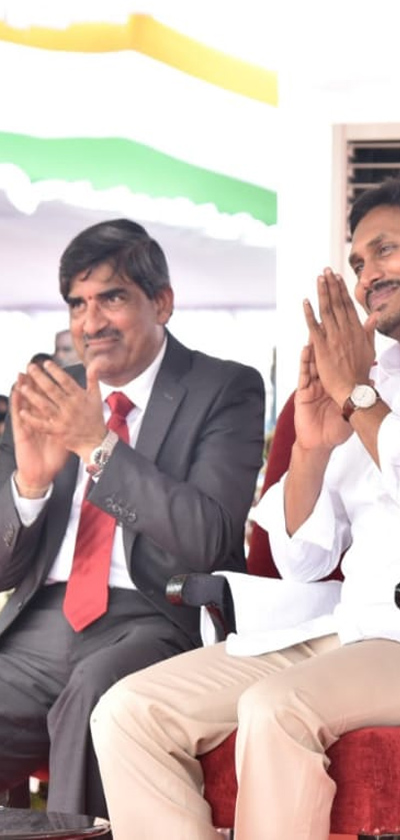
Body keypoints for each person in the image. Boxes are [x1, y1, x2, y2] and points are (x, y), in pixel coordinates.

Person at [92, 176, 400, 840]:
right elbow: (302, 561)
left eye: (383, 252)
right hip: (343, 635)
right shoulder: (372, 386)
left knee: (274, 708)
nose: (366, 275)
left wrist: (361, 398)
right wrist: (314, 451)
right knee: (127, 710)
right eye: (356, 263)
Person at [0, 219, 265, 817]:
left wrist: (99, 448)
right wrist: (31, 485)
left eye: (112, 298)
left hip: (156, 616)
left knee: (96, 699)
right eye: (78, 304)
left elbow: (210, 540)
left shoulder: (224, 387)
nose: (91, 323)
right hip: (40, 625)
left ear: (162, 302)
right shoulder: (51, 392)